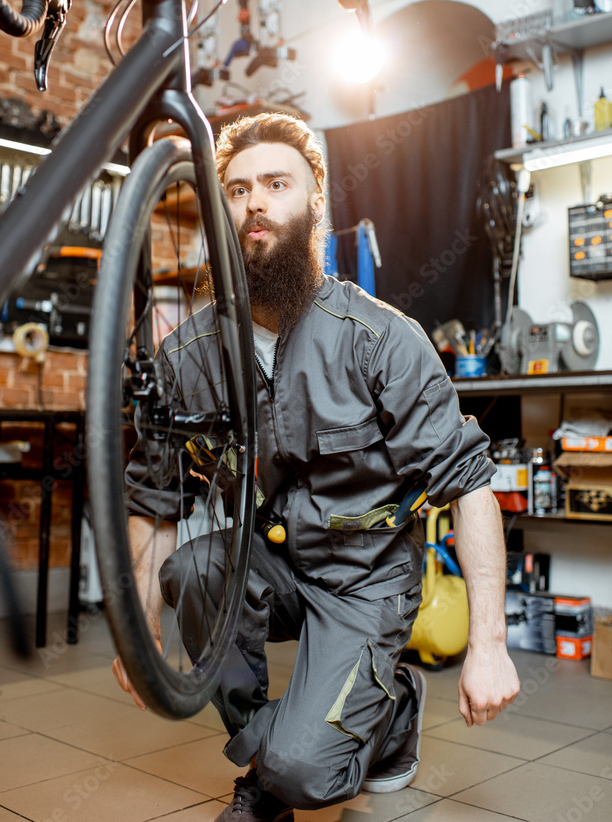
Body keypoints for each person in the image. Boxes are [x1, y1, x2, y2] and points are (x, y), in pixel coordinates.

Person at [113, 112, 520, 821]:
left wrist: (488, 645)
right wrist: (140, 628)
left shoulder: (379, 339)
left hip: (365, 579)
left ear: (315, 201)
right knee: (193, 572)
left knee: (309, 779)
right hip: (270, 564)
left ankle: (361, 730)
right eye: (235, 191)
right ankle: (270, 758)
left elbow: (470, 485)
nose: (255, 205)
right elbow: (152, 497)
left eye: (276, 183)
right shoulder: (187, 357)